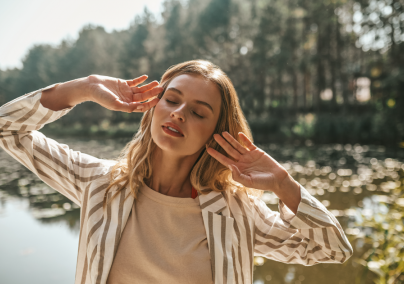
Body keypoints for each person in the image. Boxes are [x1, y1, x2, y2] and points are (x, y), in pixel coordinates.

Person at [0, 60, 353, 284]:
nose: (179, 113)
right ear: (152, 107)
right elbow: (7, 129)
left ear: (219, 133)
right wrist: (84, 88)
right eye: (171, 100)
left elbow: (332, 251)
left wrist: (282, 183)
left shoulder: (235, 212)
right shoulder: (100, 184)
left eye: (199, 112)